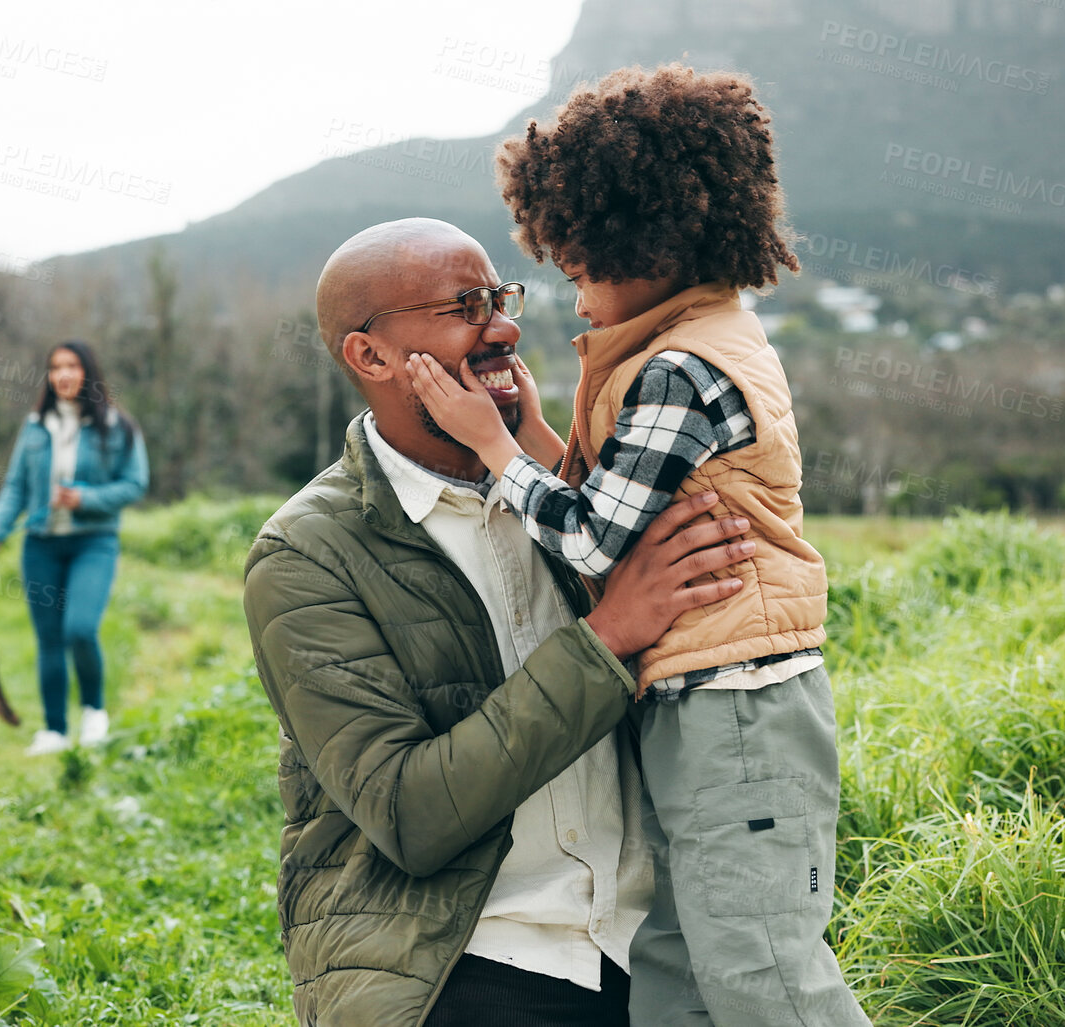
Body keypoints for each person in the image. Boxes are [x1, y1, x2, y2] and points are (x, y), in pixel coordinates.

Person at [407, 65, 871, 1025]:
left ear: (643, 242)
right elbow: (627, 500)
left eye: (579, 271)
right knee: (674, 971)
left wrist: (493, 447)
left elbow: (588, 540)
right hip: (697, 703)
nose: (573, 301)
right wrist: (537, 433)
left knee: (762, 975)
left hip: (735, 712)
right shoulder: (696, 339)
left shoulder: (680, 370)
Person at [244, 217, 758, 1027]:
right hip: (468, 956)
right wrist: (610, 635)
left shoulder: (575, 500)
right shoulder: (307, 554)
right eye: (464, 308)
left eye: (500, 297)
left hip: (657, 941)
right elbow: (409, 812)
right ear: (370, 355)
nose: (504, 327)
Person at [0, 340, 148, 756]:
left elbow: (134, 484)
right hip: (40, 546)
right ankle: (53, 730)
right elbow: (15, 487)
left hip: (94, 543)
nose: (63, 374)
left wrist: (85, 499)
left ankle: (94, 712)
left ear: (88, 372)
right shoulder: (36, 426)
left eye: (71, 366)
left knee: (80, 629)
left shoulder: (118, 426)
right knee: (49, 638)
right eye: (55, 367)